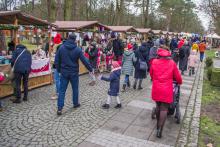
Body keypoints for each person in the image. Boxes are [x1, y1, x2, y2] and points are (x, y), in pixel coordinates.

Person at [55, 34, 93, 115]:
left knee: (62, 91)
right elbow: (84, 60)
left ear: (68, 38)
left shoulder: (61, 48)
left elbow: (57, 60)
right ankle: (75, 103)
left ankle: (59, 108)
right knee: (75, 89)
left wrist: (59, 70)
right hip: (74, 73)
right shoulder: (77, 49)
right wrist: (90, 69)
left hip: (64, 72)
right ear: (75, 40)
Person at [150, 47, 182, 138]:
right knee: (164, 109)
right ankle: (160, 130)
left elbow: (151, 74)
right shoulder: (171, 63)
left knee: (158, 106)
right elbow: (177, 76)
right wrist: (179, 82)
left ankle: (157, 126)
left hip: (156, 88)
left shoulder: (154, 62)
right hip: (167, 89)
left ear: (159, 54)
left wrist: (155, 79)